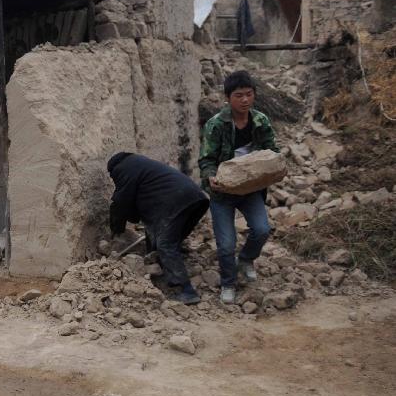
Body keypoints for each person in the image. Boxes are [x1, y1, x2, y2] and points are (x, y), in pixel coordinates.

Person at [198, 70, 279, 304]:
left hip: (250, 189)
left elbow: (272, 149)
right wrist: (211, 177)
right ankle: (228, 283)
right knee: (225, 244)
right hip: (222, 192)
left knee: (262, 230)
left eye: (249, 94)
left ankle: (246, 259)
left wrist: (274, 166)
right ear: (227, 97)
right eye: (238, 95)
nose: (245, 100)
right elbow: (206, 160)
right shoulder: (216, 125)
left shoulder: (260, 121)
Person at [107, 152, 209, 305]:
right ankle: (161, 272)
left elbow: (121, 201)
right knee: (165, 238)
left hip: (176, 202)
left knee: (165, 244)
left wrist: (116, 228)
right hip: (195, 198)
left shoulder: (122, 168)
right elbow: (141, 211)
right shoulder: (141, 165)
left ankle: (187, 291)